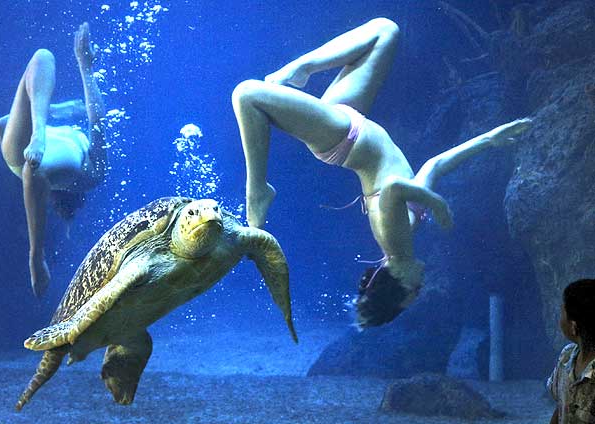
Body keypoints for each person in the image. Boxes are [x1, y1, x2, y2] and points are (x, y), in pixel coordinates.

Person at [231, 17, 532, 327]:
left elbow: (392, 189)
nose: (423, 282)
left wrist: (436, 203)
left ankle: (258, 189)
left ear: (402, 284)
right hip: (350, 121)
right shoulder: (408, 234)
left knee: (247, 95)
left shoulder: (394, 241)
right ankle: (300, 69)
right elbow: (434, 165)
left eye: (417, 289)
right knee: (385, 31)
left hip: (341, 137)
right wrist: (489, 139)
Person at [0, 22, 107, 298]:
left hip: (37, 153)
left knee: (43, 57)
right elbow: (1, 125)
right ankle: (38, 134)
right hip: (31, 154)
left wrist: (85, 67)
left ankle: (35, 255)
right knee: (42, 56)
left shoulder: (92, 175)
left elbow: (97, 120)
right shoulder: (88, 170)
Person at [548, 279, 595, 424]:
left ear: (574, 326)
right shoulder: (566, 356)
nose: (559, 319)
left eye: (562, 313)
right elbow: (561, 406)